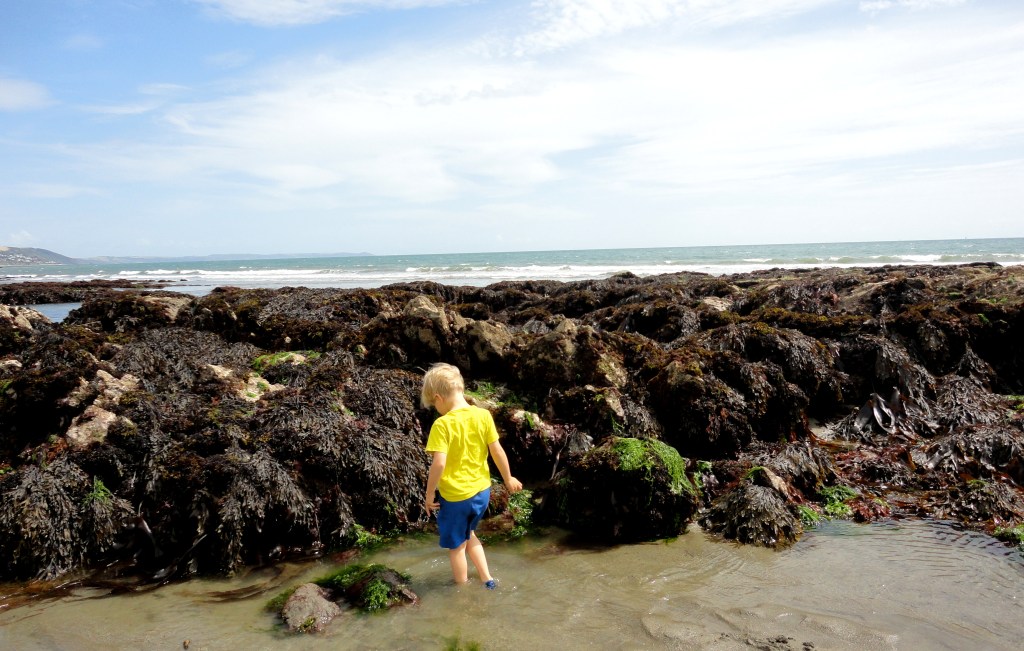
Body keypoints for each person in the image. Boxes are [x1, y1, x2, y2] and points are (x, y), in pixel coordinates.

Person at [421, 363, 523, 589]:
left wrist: (429, 494)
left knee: (456, 546)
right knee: (470, 534)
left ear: (438, 397)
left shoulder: (443, 424)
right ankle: (487, 578)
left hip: (456, 497)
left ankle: (462, 588)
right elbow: (497, 450)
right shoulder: (483, 415)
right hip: (481, 493)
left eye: (433, 404)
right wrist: (508, 478)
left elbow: (439, 463)